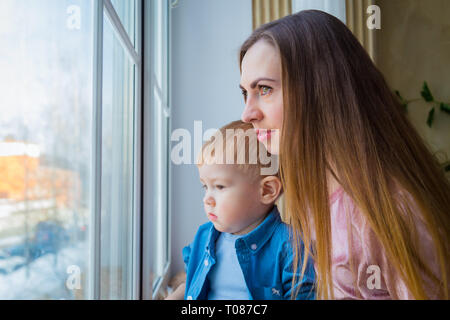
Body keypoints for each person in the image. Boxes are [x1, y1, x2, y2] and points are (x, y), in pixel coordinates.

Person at [239, 10, 450, 299]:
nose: (247, 113)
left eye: (264, 89)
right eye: (245, 93)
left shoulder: (394, 210)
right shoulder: (315, 193)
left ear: (319, 89)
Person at [165, 120, 315, 300]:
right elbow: (192, 281)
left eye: (220, 187)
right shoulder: (204, 236)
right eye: (205, 187)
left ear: (266, 191)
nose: (207, 199)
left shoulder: (291, 246)